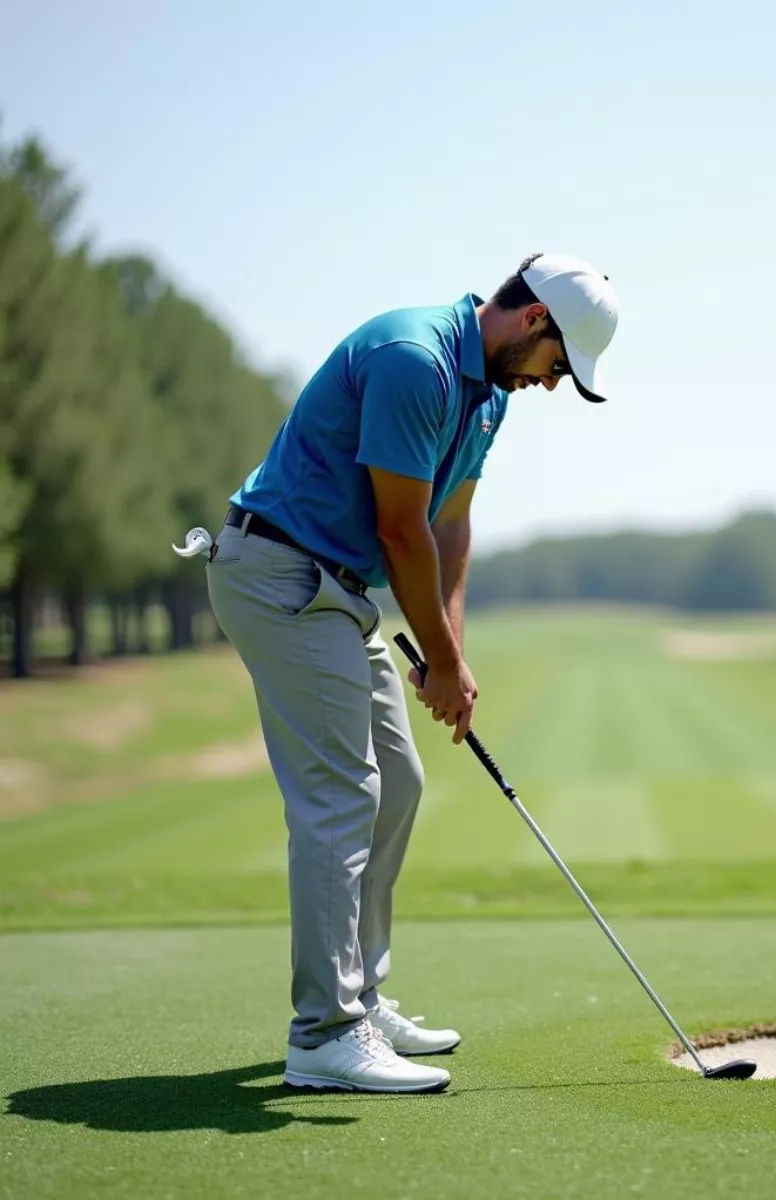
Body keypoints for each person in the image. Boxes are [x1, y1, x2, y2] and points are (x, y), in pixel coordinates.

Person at [193, 252, 619, 1094]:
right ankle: (324, 1033)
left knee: (399, 781)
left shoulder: (488, 394)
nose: (554, 383)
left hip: (337, 590)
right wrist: (447, 665)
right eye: (560, 364)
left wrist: (447, 655)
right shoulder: (415, 361)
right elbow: (399, 531)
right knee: (342, 794)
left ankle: (361, 999)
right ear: (535, 321)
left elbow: (450, 523)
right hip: (277, 573)